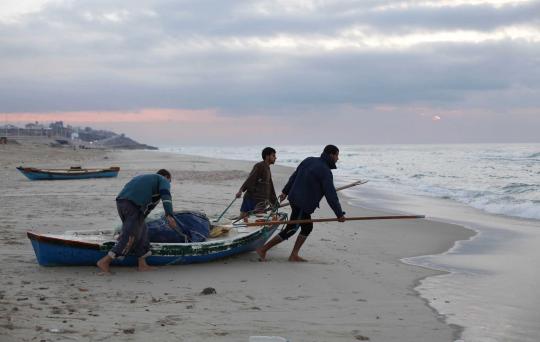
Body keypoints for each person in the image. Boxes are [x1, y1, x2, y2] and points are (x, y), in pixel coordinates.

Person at [256, 145, 346, 262]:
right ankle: (263, 249)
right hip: (303, 203)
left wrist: (285, 191)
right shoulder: (325, 171)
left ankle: (293, 255)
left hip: (294, 198)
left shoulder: (309, 160)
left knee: (307, 227)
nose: (338, 158)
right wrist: (339, 214)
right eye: (337, 155)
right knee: (292, 228)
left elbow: (294, 176)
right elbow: (331, 196)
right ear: (331, 155)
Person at [96, 169, 177, 274]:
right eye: (169, 181)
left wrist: (128, 227)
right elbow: (166, 196)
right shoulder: (163, 179)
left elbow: (146, 210)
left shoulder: (146, 179)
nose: (168, 184)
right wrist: (169, 215)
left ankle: (142, 264)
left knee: (142, 230)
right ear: (166, 177)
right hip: (133, 205)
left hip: (121, 202)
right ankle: (104, 261)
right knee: (131, 237)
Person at [235, 147, 278, 222]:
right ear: (267, 156)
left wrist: (275, 203)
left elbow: (270, 186)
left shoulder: (267, 168)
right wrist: (241, 190)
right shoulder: (259, 166)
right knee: (242, 219)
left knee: (255, 221)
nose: (275, 158)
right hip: (252, 199)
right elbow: (250, 179)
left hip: (261, 201)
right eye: (273, 156)